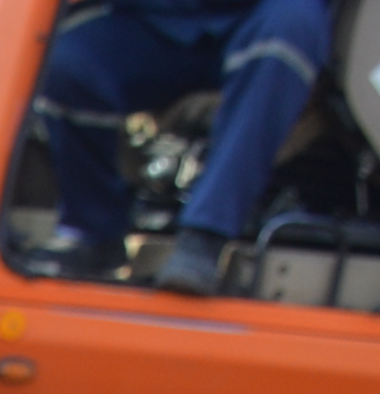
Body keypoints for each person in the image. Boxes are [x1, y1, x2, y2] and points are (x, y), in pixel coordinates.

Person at [32, 0, 339, 293]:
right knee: (62, 64)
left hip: (260, 22)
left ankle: (204, 239)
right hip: (160, 22)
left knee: (290, 28)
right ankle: (94, 234)